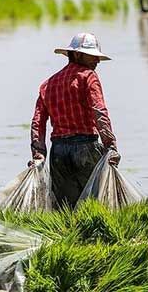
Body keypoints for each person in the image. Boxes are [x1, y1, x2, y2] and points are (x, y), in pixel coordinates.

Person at [30, 33, 121, 208]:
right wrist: (110, 146)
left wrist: (38, 153)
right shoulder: (88, 77)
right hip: (86, 148)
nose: (97, 61)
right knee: (95, 205)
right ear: (77, 55)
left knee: (65, 209)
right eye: (92, 56)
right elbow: (99, 112)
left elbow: (37, 123)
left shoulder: (48, 84)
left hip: (58, 153)